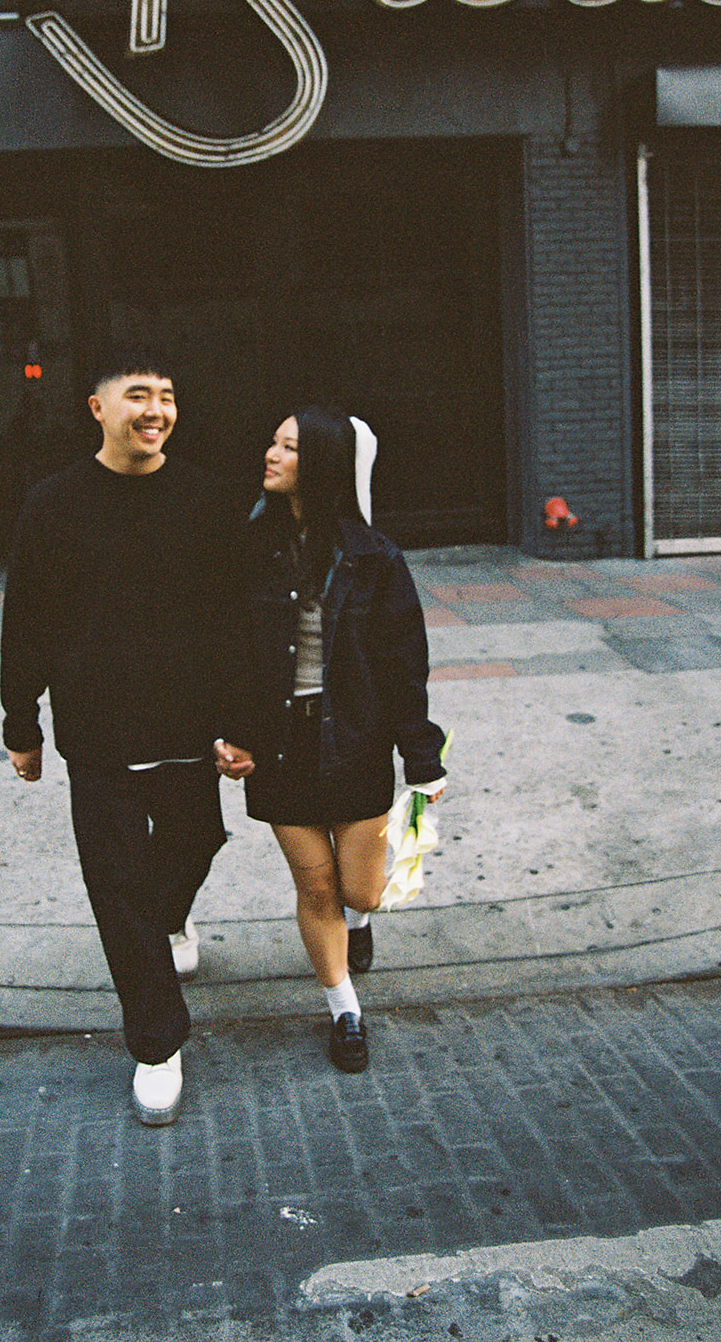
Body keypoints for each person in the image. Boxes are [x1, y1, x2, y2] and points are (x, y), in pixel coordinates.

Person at [0, 347, 253, 1126]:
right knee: (116, 887)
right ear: (98, 408)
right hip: (98, 730)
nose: (156, 411)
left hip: (188, 726)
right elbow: (27, 618)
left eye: (168, 396)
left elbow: (237, 623)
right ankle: (156, 1042)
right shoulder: (54, 504)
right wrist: (22, 721)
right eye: (137, 395)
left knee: (195, 843)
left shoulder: (209, 501)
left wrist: (240, 722)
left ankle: (169, 919)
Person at [227, 405, 445, 1074]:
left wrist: (421, 758)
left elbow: (402, 662)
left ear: (319, 464)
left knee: (363, 892)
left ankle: (360, 926)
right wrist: (222, 731)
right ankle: (345, 1010)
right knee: (316, 892)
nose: (270, 454)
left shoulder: (373, 558)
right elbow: (223, 650)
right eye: (272, 440)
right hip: (277, 743)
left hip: (354, 737)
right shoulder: (247, 548)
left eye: (288, 447)